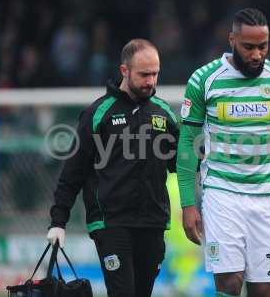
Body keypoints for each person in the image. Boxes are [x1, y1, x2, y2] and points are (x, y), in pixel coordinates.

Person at [176, 8, 270, 297]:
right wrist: (188, 203)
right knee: (229, 283)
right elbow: (187, 143)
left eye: (263, 46)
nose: (257, 54)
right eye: (248, 47)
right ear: (231, 40)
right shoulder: (204, 80)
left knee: (264, 289)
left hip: (265, 197)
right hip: (221, 195)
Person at [46, 39, 179, 297]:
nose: (151, 81)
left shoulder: (164, 114)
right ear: (124, 71)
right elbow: (73, 172)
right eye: (144, 74)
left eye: (155, 74)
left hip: (152, 222)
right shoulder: (98, 114)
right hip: (110, 223)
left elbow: (181, 166)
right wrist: (58, 221)